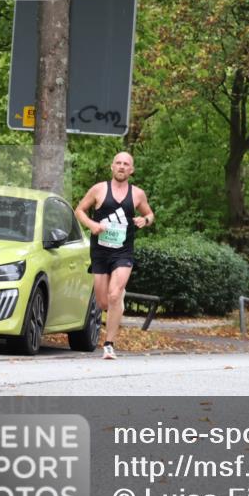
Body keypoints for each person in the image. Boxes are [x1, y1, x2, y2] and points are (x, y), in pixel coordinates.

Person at [74, 152, 155, 360]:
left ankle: (109, 344)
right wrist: (92, 225)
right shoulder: (99, 189)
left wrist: (143, 221)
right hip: (100, 251)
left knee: (114, 294)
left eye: (126, 164)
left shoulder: (137, 194)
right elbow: (80, 210)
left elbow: (150, 214)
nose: (121, 166)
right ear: (112, 167)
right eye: (118, 163)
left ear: (131, 170)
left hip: (123, 251)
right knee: (103, 303)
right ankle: (118, 301)